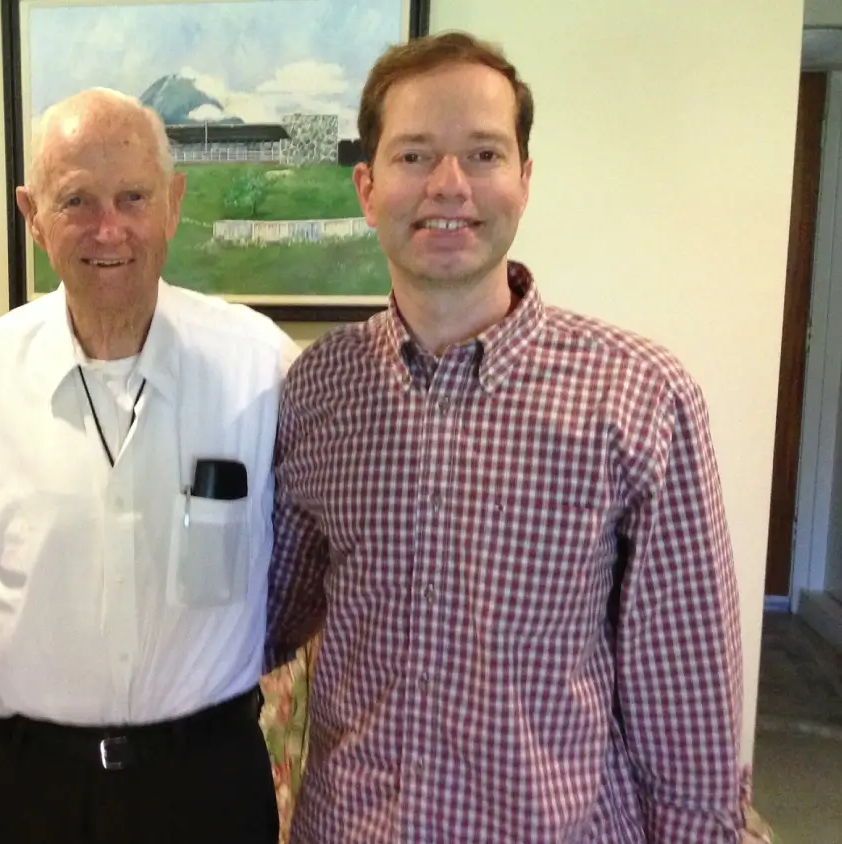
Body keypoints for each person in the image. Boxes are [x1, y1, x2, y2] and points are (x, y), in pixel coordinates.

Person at [266, 31, 745, 842]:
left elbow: (688, 703)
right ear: (367, 188)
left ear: (524, 179)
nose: (449, 184)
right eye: (414, 155)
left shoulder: (640, 398)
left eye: (483, 154)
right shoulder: (319, 388)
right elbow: (265, 619)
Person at [0, 88, 297, 844]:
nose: (109, 229)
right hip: (16, 790)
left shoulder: (259, 366)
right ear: (32, 216)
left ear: (174, 203)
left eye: (134, 197)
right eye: (76, 201)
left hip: (204, 787)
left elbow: (325, 553)